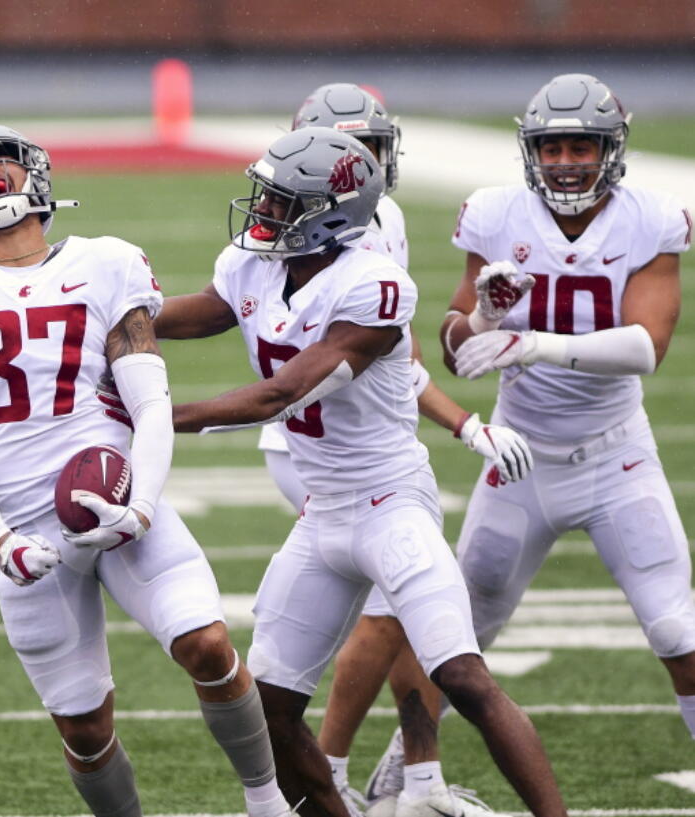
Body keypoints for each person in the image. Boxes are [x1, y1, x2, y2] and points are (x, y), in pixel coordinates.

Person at [157, 125, 567, 817]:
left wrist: (156, 413)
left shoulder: (373, 285)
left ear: (331, 214)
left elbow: (279, 393)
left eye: (283, 200)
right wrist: (109, 319)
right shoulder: (256, 264)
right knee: (269, 715)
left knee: (463, 677)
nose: (263, 208)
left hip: (391, 505)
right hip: (322, 514)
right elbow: (202, 314)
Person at [0, 123, 293, 817]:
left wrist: (140, 506)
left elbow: (151, 402)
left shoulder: (106, 262)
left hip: (118, 499)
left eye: (2, 163)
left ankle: (267, 803)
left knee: (207, 643)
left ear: (39, 179)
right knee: (84, 728)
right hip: (24, 533)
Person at [277, 83, 530, 817]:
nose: (369, 168)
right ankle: (329, 780)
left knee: (410, 602)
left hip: (364, 438)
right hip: (311, 441)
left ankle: (410, 782)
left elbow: (397, 353)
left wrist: (462, 421)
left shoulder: (377, 218)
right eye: (353, 153)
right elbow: (348, 358)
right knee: (396, 604)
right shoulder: (299, 233)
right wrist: (464, 423)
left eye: (376, 151)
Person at [438, 73, 695, 746]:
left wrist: (530, 341)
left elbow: (645, 347)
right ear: (531, 150)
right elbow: (456, 346)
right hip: (522, 454)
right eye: (551, 148)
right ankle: (412, 772)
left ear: (611, 148)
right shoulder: (496, 213)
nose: (565, 162)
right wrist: (484, 314)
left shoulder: (649, 216)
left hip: (617, 454)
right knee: (455, 632)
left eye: (581, 147)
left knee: (676, 628)